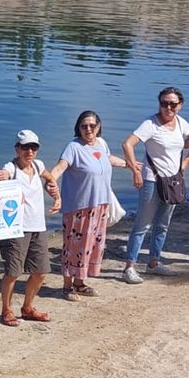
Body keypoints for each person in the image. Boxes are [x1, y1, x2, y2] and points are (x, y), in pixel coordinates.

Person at [119, 88, 189, 284]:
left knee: (162, 224)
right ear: (159, 104)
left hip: (172, 180)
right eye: (164, 103)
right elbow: (127, 144)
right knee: (142, 225)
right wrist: (135, 170)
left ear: (180, 105)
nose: (168, 107)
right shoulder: (150, 124)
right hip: (152, 180)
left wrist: (186, 162)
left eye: (173, 104)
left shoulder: (181, 123)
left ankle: (153, 262)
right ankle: (129, 266)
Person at [47, 111, 125, 299]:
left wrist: (130, 164)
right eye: (84, 126)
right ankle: (67, 286)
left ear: (98, 126)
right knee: (73, 246)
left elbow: (107, 158)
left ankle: (80, 282)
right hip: (78, 207)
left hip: (99, 205)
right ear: (78, 128)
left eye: (92, 125)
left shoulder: (101, 143)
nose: (88, 129)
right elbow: (60, 167)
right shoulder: (73, 147)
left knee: (91, 245)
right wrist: (50, 181)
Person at [0, 129, 58, 325]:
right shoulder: (11, 169)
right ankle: (6, 309)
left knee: (41, 271)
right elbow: (2, 174)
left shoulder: (38, 166)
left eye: (33, 147)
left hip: (38, 226)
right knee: (13, 272)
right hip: (16, 228)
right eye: (25, 147)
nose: (29, 151)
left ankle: (28, 307)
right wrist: (1, 176)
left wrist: (55, 191)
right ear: (17, 149)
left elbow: (49, 176)